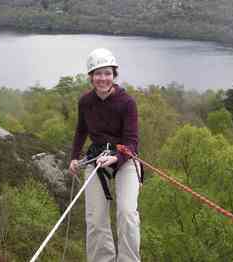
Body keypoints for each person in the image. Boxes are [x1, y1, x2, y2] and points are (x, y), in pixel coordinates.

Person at [69, 48, 141, 262]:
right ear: (91, 77)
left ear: (114, 75)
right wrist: (74, 157)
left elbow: (132, 141)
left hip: (124, 159)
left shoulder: (127, 103)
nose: (103, 78)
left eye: (107, 73)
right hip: (96, 159)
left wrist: (117, 158)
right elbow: (81, 130)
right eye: (98, 73)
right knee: (95, 218)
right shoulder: (85, 102)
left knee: (127, 214)